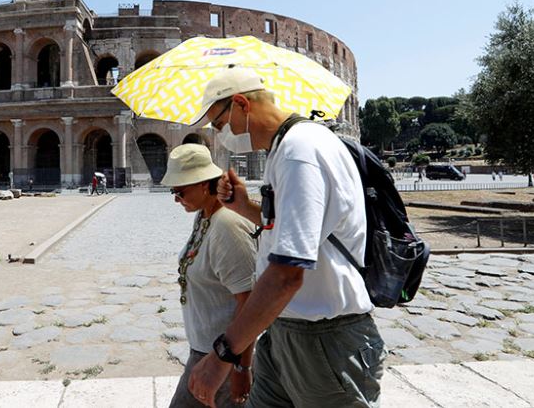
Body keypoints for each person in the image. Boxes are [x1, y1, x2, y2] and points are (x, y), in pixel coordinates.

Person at [186, 68, 383, 407]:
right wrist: (245, 207)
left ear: (240, 104)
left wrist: (224, 354)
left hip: (324, 340)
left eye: (219, 124)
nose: (220, 136)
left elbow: (287, 275)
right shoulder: (286, 149)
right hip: (286, 332)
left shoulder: (299, 151)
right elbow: (300, 228)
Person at [162, 144, 257, 407]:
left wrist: (240, 367)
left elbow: (249, 301)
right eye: (173, 192)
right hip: (207, 349)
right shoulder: (205, 216)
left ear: (204, 185)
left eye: (180, 192)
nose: (176, 199)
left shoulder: (227, 225)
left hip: (224, 354)